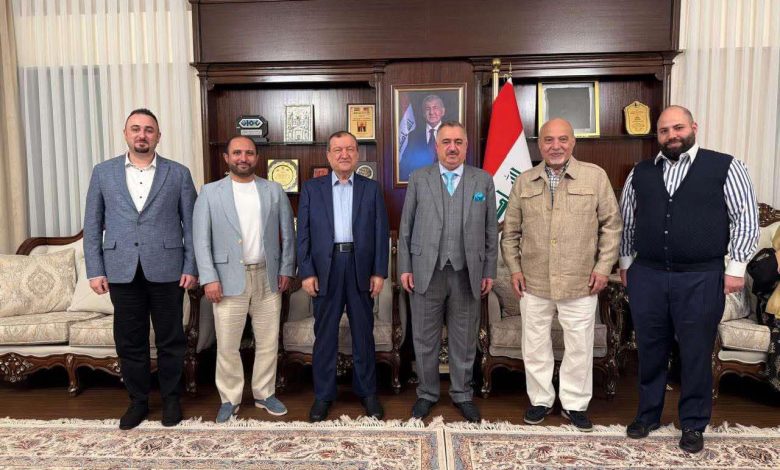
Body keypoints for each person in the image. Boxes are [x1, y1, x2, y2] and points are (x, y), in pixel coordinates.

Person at [619, 105, 759, 453]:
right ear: (657, 135)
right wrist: (625, 264)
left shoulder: (726, 166)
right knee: (649, 349)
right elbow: (627, 222)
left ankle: (694, 423)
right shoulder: (640, 172)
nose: (672, 135)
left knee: (696, 351)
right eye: (664, 130)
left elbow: (745, 218)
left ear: (693, 127)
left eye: (678, 128)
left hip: (701, 276)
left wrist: (736, 269)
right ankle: (648, 415)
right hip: (647, 274)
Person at [501, 118, 622, 431]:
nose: (556, 146)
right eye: (548, 140)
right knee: (535, 344)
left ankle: (574, 404)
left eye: (563, 139)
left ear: (573, 142)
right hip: (533, 281)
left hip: (580, 281)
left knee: (579, 345)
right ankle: (540, 400)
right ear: (540, 145)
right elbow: (510, 232)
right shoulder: (524, 181)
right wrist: (514, 269)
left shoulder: (595, 177)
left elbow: (612, 226)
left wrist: (603, 268)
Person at [83, 108, 198, 430]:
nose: (142, 134)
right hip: (121, 269)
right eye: (135, 128)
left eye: (148, 129)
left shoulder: (178, 174)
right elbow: (92, 224)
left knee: (171, 339)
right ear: (126, 134)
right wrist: (95, 269)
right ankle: (138, 401)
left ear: (158, 136)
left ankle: (172, 400)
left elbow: (192, 225)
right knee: (129, 340)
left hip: (168, 269)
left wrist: (191, 265)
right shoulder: (103, 173)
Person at [398, 121, 497, 422]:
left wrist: (489, 270)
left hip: (468, 273)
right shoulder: (419, 178)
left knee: (464, 339)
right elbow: (406, 228)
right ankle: (427, 394)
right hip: (426, 271)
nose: (452, 147)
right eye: (446, 142)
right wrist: (405, 267)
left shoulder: (483, 181)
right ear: (436, 146)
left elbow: (490, 231)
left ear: (466, 146)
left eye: (458, 142)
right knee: (424, 339)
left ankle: (462, 394)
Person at [192, 135, 296, 423]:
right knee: (227, 344)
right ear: (226, 158)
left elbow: (288, 234)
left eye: (249, 153)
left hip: (267, 276)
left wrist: (286, 269)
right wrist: (209, 278)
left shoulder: (274, 190)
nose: (243, 158)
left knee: (268, 341)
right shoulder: (210, 192)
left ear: (256, 158)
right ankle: (230, 398)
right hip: (226, 281)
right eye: (237, 153)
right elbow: (201, 240)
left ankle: (264, 394)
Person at [297, 131, 390, 422]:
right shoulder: (312, 189)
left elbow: (380, 232)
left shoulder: (371, 189)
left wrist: (379, 271)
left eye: (350, 149)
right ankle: (324, 395)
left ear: (357, 154)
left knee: (363, 332)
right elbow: (303, 235)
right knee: (325, 334)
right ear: (328, 155)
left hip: (361, 266)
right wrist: (307, 272)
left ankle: (367, 392)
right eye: (337, 150)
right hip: (326, 268)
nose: (344, 154)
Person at [399, 94, 446, 181]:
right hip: (420, 184)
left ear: (443, 111)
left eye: (435, 108)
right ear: (423, 113)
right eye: (428, 109)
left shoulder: (451, 133)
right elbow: (405, 164)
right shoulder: (413, 135)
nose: (431, 112)